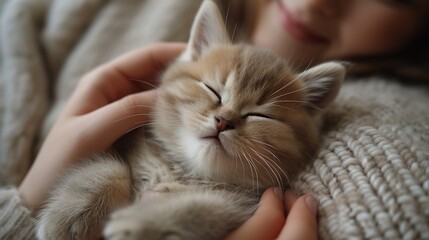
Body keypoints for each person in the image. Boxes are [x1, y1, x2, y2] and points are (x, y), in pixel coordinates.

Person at [1, 0, 428, 239]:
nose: (224, 118)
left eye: (260, 115)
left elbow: (221, 208)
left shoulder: (389, 117)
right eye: (212, 93)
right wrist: (25, 207)